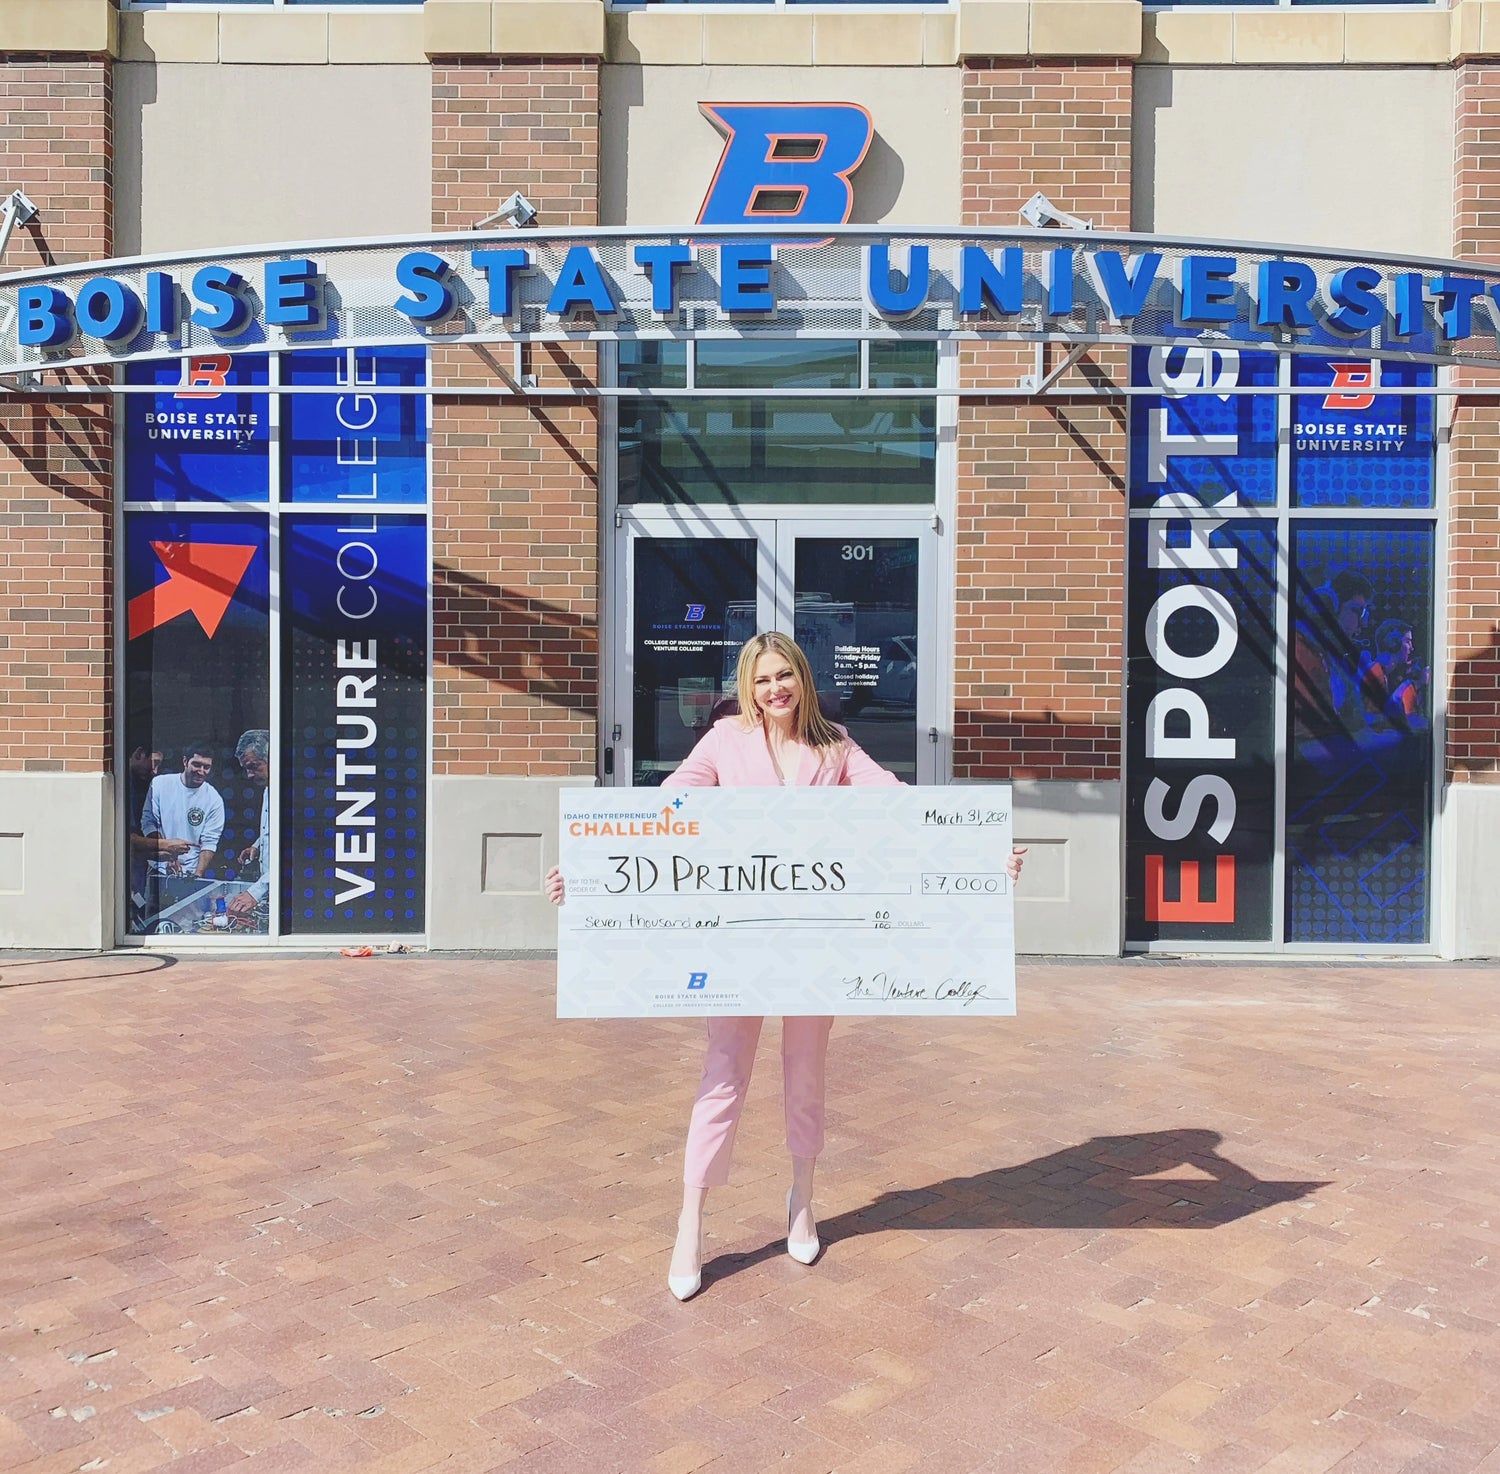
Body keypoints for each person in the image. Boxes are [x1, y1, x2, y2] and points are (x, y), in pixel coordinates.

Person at [545, 631, 1026, 1301]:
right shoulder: (723, 743)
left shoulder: (835, 747)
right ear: (748, 685)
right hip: (737, 946)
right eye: (763, 678)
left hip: (812, 946)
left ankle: (802, 1199)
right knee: (722, 1080)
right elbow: (658, 813)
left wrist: (983, 855)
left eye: (786, 676)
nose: (776, 689)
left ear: (802, 678)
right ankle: (691, 1222)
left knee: (805, 1074)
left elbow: (899, 803)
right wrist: (589, 872)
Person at [141, 739, 225, 880]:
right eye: (196, 765)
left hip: (190, 872)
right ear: (185, 761)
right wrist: (167, 853)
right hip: (157, 866)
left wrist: (197, 876)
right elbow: (149, 822)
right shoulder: (160, 784)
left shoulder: (214, 799)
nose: (201, 771)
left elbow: (209, 842)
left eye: (206, 767)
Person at [228, 729, 270, 921]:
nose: (250, 775)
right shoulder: (269, 789)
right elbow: (277, 830)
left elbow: (296, 851)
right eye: (246, 769)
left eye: (254, 767)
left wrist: (255, 893)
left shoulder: (296, 794)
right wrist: (257, 846)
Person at [1363, 620, 1428, 728]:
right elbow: (1371, 719)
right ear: (1393, 643)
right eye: (1407, 642)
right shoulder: (1376, 672)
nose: (1412, 648)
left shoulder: (1382, 673)